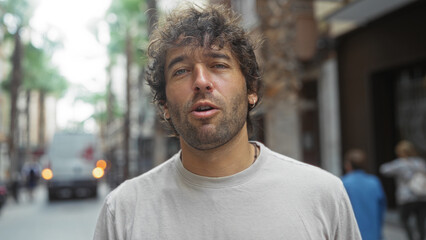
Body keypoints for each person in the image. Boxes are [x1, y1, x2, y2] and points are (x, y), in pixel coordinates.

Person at [93, 5, 361, 239]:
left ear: (251, 90)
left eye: (218, 65)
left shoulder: (323, 195)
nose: (201, 82)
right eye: (181, 71)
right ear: (164, 105)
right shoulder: (124, 211)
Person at [380, 140, 426, 240]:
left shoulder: (400, 163)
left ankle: (410, 237)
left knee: (404, 220)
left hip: (406, 197)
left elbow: (384, 169)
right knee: (421, 222)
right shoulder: (420, 162)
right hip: (421, 196)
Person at [342, 149, 387, 240]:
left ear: (348, 165)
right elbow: (382, 208)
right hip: (373, 233)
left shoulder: (343, 183)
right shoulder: (374, 182)